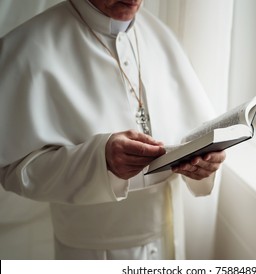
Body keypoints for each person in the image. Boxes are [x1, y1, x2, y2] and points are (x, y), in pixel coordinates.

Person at [0, 0, 226, 260]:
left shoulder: (159, 34)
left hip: (168, 238)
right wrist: (99, 160)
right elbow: (13, 169)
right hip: (92, 252)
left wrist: (206, 162)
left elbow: (194, 129)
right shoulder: (26, 46)